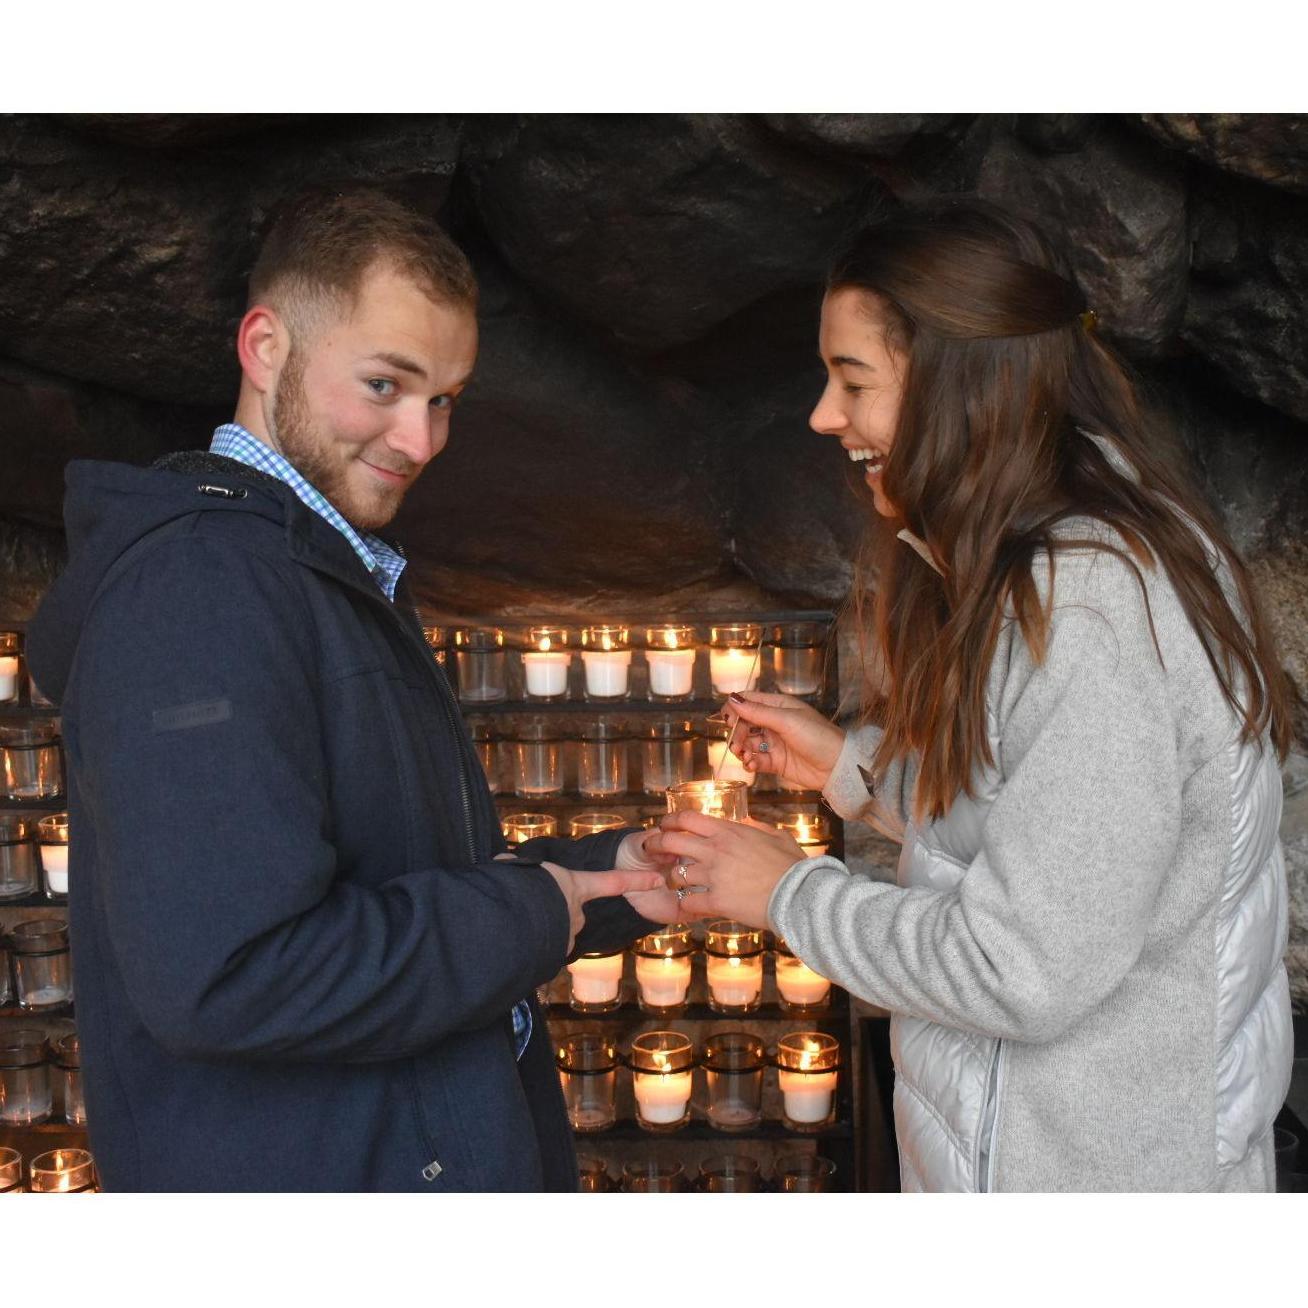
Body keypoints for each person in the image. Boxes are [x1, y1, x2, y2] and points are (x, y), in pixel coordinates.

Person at [25, 187, 675, 1192]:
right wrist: (529, 917)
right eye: (384, 384)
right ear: (266, 348)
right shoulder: (200, 591)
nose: (419, 441)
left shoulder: (309, 566)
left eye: (444, 398)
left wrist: (622, 874)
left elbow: (394, 875)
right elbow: (231, 977)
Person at [648, 196, 1295, 1192]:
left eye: (851, 380)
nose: (825, 416)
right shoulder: (1052, 563)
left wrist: (784, 889)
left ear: (959, 384)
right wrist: (855, 769)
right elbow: (1058, 826)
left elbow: (1019, 966)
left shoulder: (1092, 609)